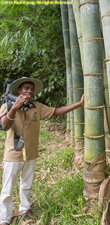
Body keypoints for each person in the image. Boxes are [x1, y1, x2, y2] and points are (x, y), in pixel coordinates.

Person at [0, 77, 84, 225]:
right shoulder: (7, 106)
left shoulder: (36, 107)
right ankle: (4, 219)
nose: (29, 91)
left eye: (32, 89)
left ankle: (25, 208)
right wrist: (14, 108)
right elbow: (5, 126)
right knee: (8, 189)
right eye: (26, 88)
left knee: (27, 184)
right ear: (18, 90)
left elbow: (57, 111)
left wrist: (79, 104)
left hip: (31, 153)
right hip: (13, 154)